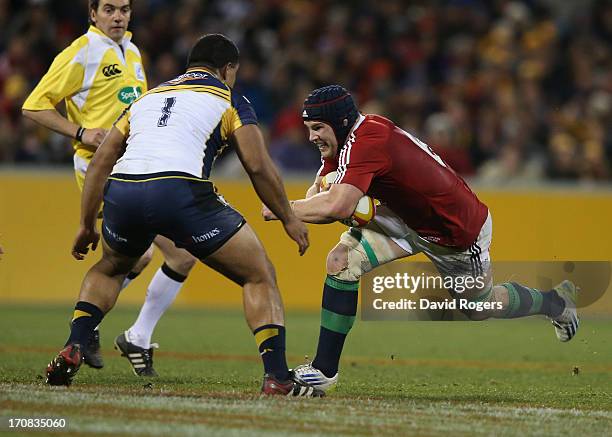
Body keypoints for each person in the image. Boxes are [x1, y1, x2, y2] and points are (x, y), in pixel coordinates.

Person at [44, 33, 323, 397]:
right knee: (258, 275)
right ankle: (277, 377)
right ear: (228, 69)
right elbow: (258, 165)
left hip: (123, 189)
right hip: (180, 191)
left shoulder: (147, 98)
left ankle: (76, 342)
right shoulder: (229, 98)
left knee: (111, 267)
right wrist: (288, 216)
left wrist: (85, 225)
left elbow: (100, 161)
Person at [262, 85, 579, 392]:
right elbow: (320, 192)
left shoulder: (368, 139)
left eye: (317, 127)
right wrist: (310, 202)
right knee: (341, 261)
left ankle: (554, 302)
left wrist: (284, 208)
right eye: (309, 128)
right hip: (403, 221)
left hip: (453, 232)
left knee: (478, 306)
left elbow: (338, 205)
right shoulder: (346, 141)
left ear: (339, 121)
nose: (311, 136)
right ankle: (323, 370)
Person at [22, 0, 196, 376]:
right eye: (109, 9)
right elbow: (34, 106)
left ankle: (96, 331)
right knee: (164, 255)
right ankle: (98, 333)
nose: (118, 16)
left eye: (124, 9)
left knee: (158, 256)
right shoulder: (82, 52)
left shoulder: (131, 52)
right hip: (100, 170)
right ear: (92, 14)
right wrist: (81, 132)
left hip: (136, 168)